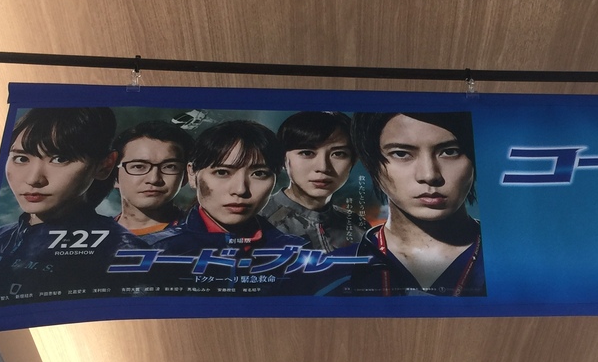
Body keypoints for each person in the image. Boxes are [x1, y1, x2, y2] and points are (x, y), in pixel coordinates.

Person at [0, 106, 133, 302]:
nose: (33, 179)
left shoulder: (123, 249)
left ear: (104, 165)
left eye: (59, 159)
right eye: (21, 158)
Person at [334, 111, 485, 296]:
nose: (429, 175)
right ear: (371, 163)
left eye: (449, 152)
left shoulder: (509, 256)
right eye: (401, 153)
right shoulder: (335, 271)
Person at [155, 120, 305, 292]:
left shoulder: (297, 252)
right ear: (192, 174)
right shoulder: (158, 250)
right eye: (222, 172)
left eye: (259, 174)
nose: (240, 190)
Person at [262, 111, 365, 251]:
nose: (323, 167)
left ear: (353, 160)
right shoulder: (258, 221)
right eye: (307, 153)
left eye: (338, 154)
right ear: (283, 159)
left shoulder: (357, 226)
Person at [111, 120, 193, 241]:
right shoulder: (94, 234)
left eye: (169, 167)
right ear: (114, 176)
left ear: (185, 176)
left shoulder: (200, 236)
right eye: (139, 166)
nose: (154, 179)